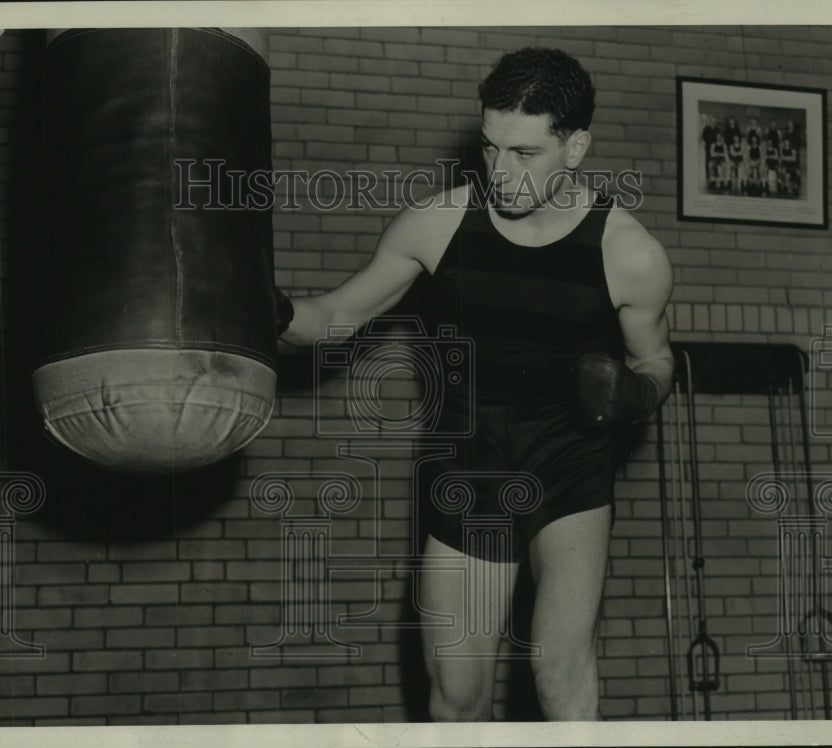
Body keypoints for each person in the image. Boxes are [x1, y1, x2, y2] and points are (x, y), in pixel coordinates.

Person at [277, 47, 674, 721]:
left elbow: (656, 362)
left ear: (576, 147)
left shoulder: (630, 254)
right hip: (468, 461)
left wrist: (634, 395)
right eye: (491, 148)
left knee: (559, 673)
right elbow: (333, 317)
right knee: (457, 697)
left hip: (569, 461)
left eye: (525, 153)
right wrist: (267, 310)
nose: (501, 172)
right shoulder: (436, 224)